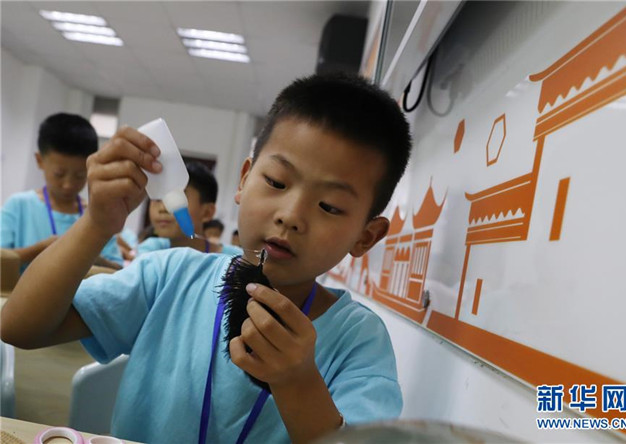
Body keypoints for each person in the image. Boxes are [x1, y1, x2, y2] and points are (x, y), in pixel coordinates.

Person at [1, 73, 412, 444]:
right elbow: (19, 326)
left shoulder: (358, 340)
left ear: (366, 236)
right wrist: (95, 223)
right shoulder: (172, 275)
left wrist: (297, 381)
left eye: (330, 206)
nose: (291, 215)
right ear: (244, 179)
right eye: (276, 182)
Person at [0, 113, 122, 271]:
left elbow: (118, 270)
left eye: (80, 175)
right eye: (59, 174)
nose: (68, 185)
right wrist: (39, 249)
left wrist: (91, 256)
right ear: (39, 161)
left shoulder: (97, 215)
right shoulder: (19, 206)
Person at [137, 162, 241, 256]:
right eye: (158, 198)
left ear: (207, 212)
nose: (162, 208)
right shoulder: (149, 252)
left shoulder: (234, 260)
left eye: (177, 198)